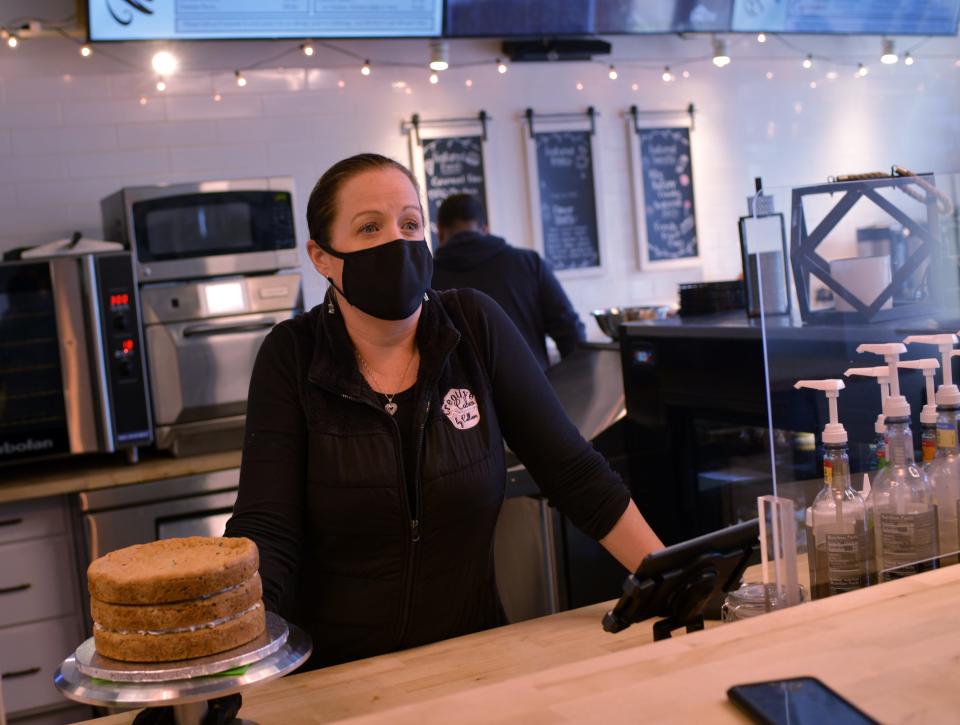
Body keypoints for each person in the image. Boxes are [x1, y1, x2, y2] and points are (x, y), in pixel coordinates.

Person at [224, 153, 662, 670]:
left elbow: (575, 473)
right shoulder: (292, 355)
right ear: (321, 257)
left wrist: (671, 579)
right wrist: (234, 663)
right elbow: (266, 529)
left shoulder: (474, 326)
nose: (398, 242)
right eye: (369, 228)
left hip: (474, 662)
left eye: (410, 223)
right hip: (336, 677)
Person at [431, 193, 585, 370]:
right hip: (531, 393)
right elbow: (571, 333)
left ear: (440, 232)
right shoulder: (528, 263)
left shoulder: (427, 279)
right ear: (486, 229)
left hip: (459, 397)